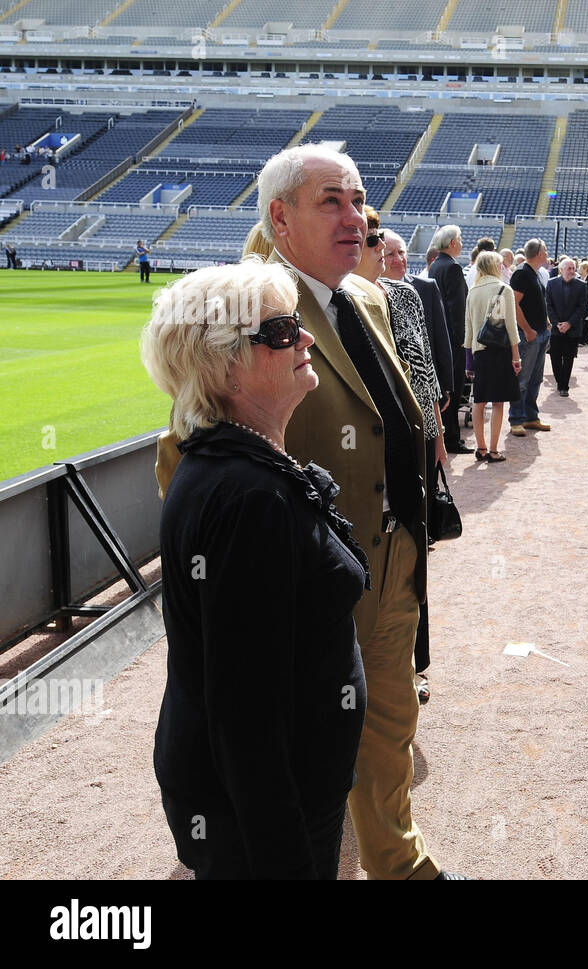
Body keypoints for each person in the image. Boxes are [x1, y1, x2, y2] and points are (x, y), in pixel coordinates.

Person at [156, 144, 459, 880]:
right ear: (279, 218)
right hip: (303, 576)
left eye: (360, 200)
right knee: (292, 744)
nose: (355, 217)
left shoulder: (372, 297)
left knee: (388, 723)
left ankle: (398, 861)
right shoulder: (252, 308)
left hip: (387, 562)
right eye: (333, 201)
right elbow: (188, 448)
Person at [142, 260, 367, 879]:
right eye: (281, 330)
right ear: (224, 364)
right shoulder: (248, 497)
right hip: (258, 810)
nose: (306, 338)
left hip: (261, 794)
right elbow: (245, 718)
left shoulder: (233, 465)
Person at [361, 211, 446, 708]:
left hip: (412, 445)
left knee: (413, 558)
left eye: (382, 242)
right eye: (375, 243)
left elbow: (425, 369)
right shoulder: (341, 305)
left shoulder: (405, 296)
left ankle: (414, 667)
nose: (379, 251)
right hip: (368, 454)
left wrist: (435, 433)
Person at [384, 230, 454, 454]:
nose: (399, 259)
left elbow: (440, 340)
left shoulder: (426, 287)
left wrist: (446, 385)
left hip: (427, 386)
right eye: (390, 254)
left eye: (401, 252)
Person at [464, 250, 521, 461]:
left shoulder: (472, 292)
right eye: (500, 264)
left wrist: (469, 362)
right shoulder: (503, 289)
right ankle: (494, 450)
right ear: (494, 266)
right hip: (500, 352)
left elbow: (468, 331)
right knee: (498, 403)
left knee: (478, 402)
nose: (503, 268)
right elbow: (511, 328)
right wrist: (516, 357)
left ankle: (480, 447)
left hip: (479, 354)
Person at [426, 225, 475, 456]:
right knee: (453, 390)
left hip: (441, 334)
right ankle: (452, 439)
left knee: (446, 388)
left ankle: (446, 435)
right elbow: (457, 308)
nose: (463, 243)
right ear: (452, 242)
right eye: (460, 239)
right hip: (453, 338)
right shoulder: (453, 267)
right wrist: (462, 339)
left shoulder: (436, 264)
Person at [508, 238, 551, 437]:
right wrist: (527, 329)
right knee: (523, 379)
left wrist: (547, 321)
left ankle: (531, 417)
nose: (547, 253)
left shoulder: (533, 273)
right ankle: (516, 419)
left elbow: (537, 302)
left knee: (535, 379)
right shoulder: (521, 273)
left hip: (540, 333)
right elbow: (513, 305)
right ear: (538, 253)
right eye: (545, 250)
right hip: (529, 336)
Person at [545, 257, 587, 398]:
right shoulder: (551, 284)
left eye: (573, 268)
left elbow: (582, 308)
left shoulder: (581, 285)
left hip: (573, 328)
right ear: (561, 269)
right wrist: (557, 323)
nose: (571, 271)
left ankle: (564, 386)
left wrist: (569, 323)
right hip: (556, 328)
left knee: (569, 358)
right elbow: (548, 305)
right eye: (568, 268)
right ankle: (559, 381)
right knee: (555, 357)